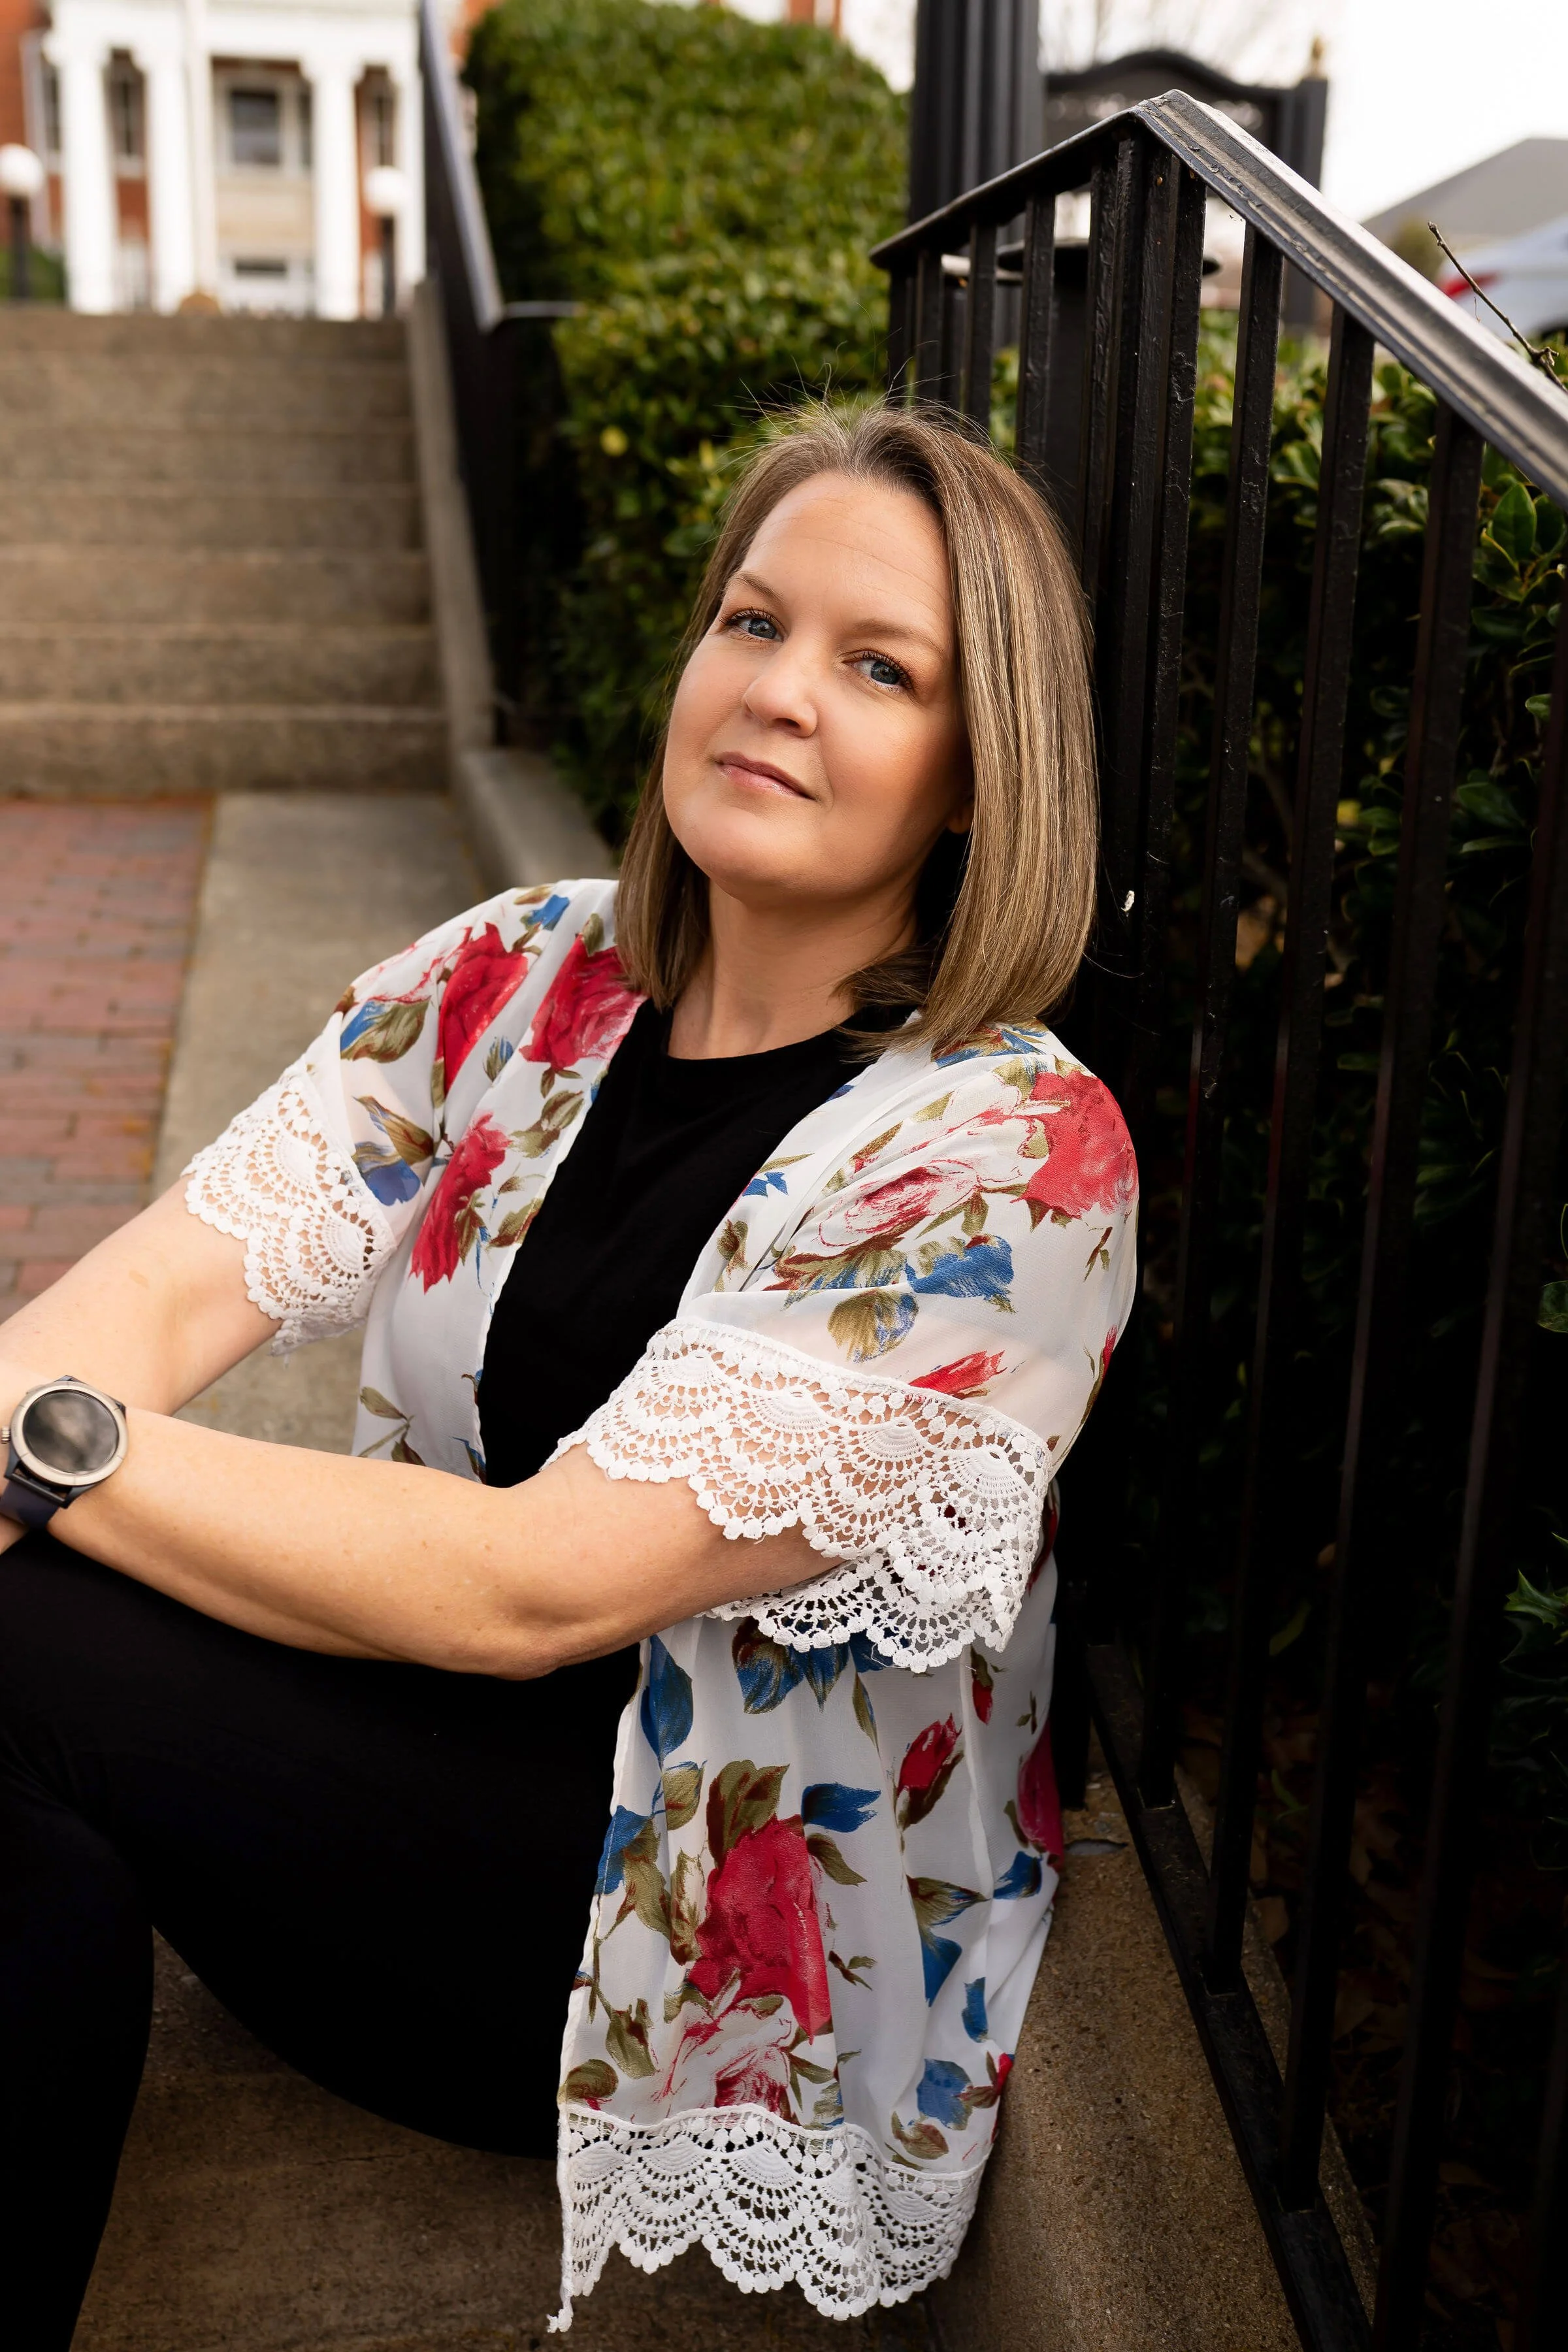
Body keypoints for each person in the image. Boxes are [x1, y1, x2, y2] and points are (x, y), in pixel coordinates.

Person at [0, 402, 1136, 2345]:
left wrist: (46, 1446)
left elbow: (535, 1587)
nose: (781, 691)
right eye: (753, 623)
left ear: (978, 776)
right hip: (398, 1749)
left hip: (638, 1910)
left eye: (880, 668)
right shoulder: (523, 976)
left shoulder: (1009, 1155)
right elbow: (160, 1302)